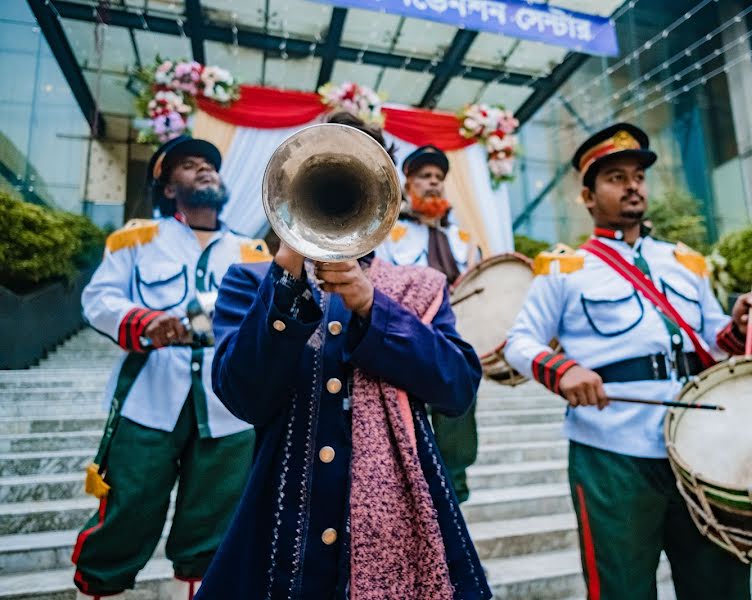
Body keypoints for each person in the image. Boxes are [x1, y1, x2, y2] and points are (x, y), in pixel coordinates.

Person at [196, 112, 491, 600]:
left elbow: (458, 388)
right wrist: (288, 267)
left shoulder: (420, 285)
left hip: (399, 518)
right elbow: (242, 395)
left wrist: (373, 306)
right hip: (284, 520)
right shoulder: (250, 282)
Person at [504, 123, 752, 600]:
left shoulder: (685, 261)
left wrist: (741, 325)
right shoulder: (565, 268)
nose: (632, 184)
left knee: (721, 582)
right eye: (615, 177)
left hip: (702, 447)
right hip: (612, 451)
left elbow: (714, 344)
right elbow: (519, 342)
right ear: (588, 198)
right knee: (622, 589)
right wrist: (564, 370)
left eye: (638, 175)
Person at [74, 136, 271, 599]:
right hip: (149, 399)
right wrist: (144, 322)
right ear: (167, 188)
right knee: (125, 514)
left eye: (210, 164)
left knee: (215, 530)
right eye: (188, 165)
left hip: (228, 408)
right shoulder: (137, 239)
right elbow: (98, 299)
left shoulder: (253, 252)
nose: (205, 170)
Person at [376, 145, 480, 502]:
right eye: (424, 177)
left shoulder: (463, 238)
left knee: (457, 431)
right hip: (408, 347)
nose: (433, 184)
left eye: (438, 178)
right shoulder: (390, 234)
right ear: (408, 184)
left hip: (451, 349)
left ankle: (456, 495)